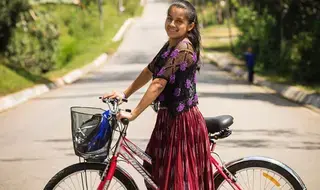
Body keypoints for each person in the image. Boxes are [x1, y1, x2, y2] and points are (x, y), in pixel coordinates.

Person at [103, 0, 214, 189]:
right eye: (169, 19)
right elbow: (149, 71)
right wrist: (124, 94)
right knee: (159, 174)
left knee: (177, 180)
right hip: (168, 119)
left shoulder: (183, 48)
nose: (172, 24)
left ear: (190, 26)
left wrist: (134, 113)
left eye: (179, 21)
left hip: (182, 122)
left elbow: (158, 83)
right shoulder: (171, 45)